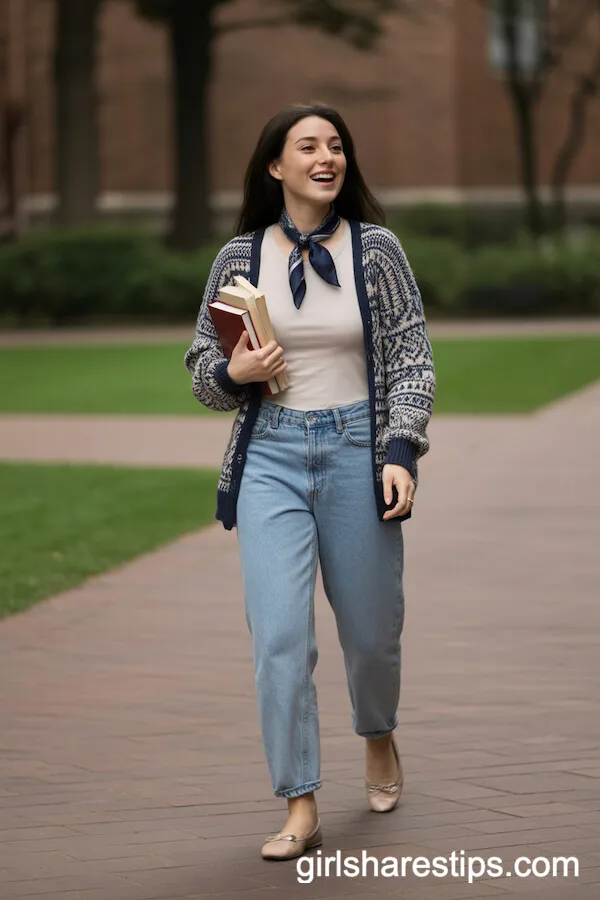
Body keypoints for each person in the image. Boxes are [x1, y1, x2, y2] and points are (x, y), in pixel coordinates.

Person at [185, 102, 435, 861]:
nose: (326, 157)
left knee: (370, 635)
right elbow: (202, 370)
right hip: (271, 459)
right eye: (308, 146)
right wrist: (236, 371)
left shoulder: (376, 250)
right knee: (281, 639)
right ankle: (299, 801)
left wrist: (400, 449)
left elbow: (412, 356)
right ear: (275, 166)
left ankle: (379, 733)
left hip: (359, 448)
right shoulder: (237, 258)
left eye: (336, 146)